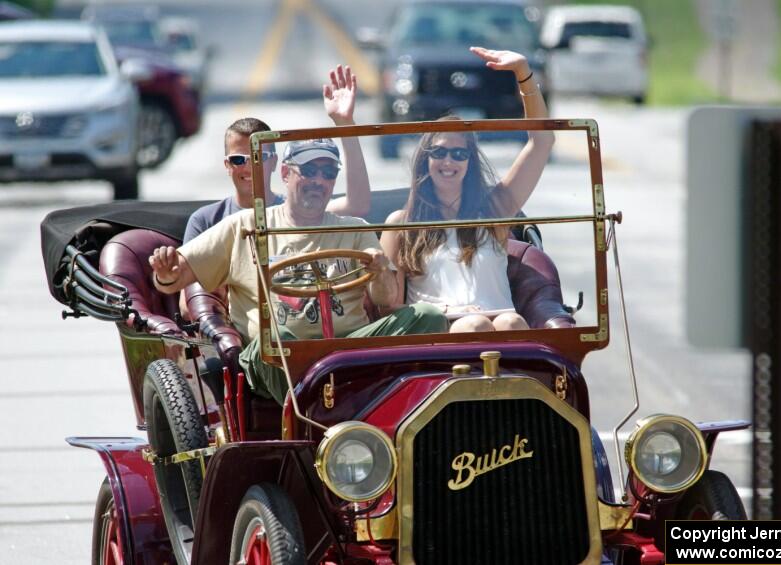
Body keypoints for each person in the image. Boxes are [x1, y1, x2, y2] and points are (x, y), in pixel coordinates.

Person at [149, 137, 448, 406]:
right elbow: (174, 278)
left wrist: (381, 271)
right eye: (308, 170)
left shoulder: (354, 229)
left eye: (328, 173)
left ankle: (399, 409)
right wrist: (164, 271)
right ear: (285, 174)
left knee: (428, 316)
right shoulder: (247, 226)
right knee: (279, 337)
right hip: (275, 355)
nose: (318, 180)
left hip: (350, 352)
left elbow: (386, 299)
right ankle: (315, 418)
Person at [381, 46, 555, 333]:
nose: (448, 161)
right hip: (440, 329)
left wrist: (523, 73)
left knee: (511, 322)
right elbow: (389, 306)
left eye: (459, 155)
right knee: (475, 325)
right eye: (439, 153)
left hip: (502, 322)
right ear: (425, 160)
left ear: (470, 163)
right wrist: (448, 312)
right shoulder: (402, 224)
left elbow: (542, 143)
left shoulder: (493, 212)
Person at [183, 65, 370, 243]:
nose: (249, 167)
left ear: (274, 163)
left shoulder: (297, 209)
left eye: (259, 157)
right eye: (238, 160)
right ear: (227, 166)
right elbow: (184, 274)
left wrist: (345, 123)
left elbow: (356, 205)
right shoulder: (205, 221)